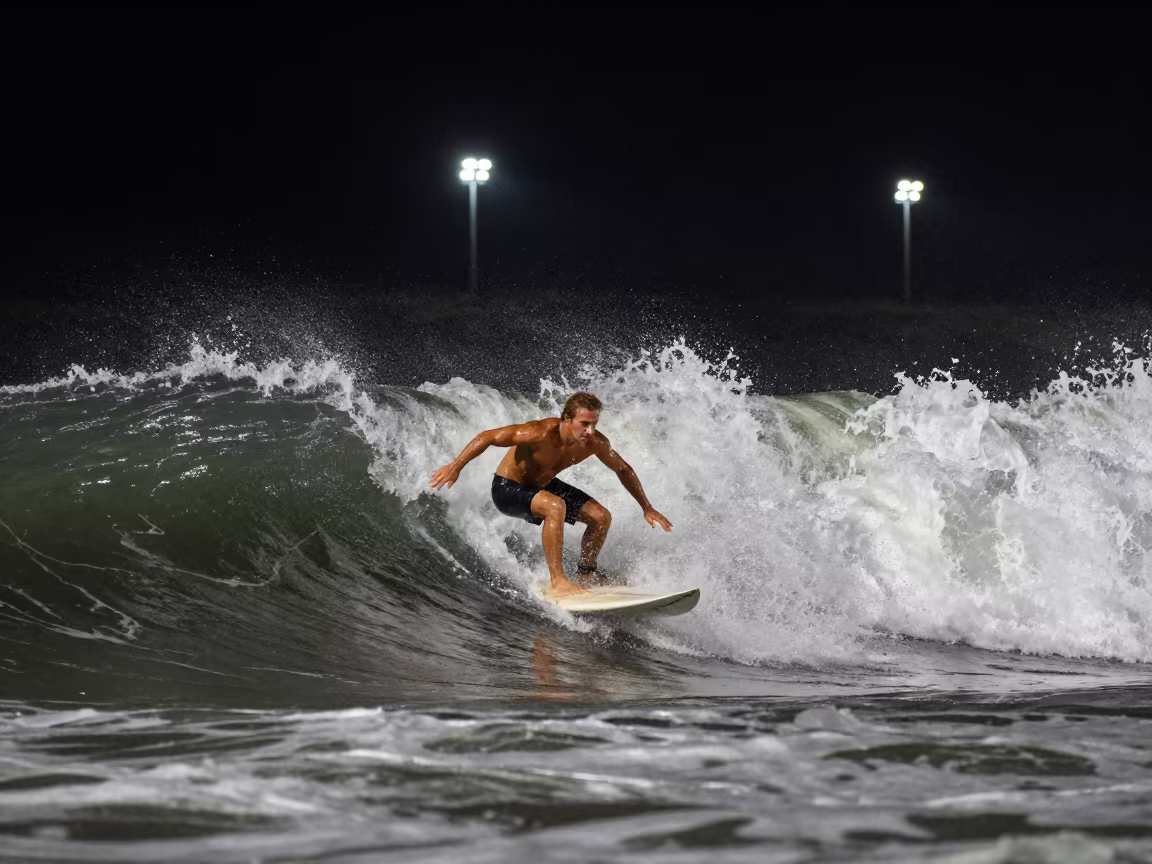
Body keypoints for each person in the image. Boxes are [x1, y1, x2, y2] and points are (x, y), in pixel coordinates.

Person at [429, 392, 672, 597]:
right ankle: (558, 583)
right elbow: (487, 437)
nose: (590, 430)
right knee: (555, 506)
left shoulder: (594, 443)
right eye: (584, 423)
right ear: (567, 419)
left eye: (594, 424)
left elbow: (623, 468)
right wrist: (455, 467)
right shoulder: (540, 433)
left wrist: (646, 507)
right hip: (508, 488)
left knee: (601, 517)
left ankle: (585, 574)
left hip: (543, 485)